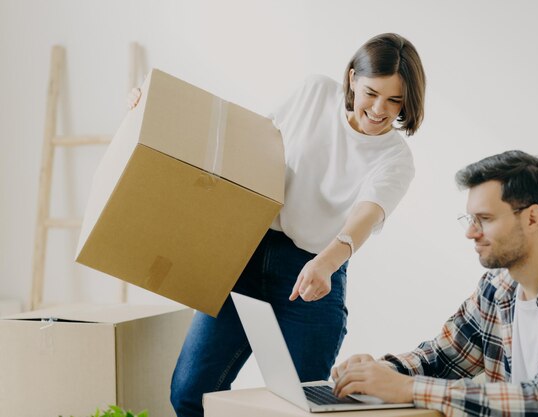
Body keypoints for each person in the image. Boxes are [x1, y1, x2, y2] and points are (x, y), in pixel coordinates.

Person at [126, 33, 425, 417]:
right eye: (372, 93)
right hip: (244, 257)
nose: (380, 110)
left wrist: (328, 262)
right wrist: (151, 109)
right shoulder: (315, 93)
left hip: (312, 275)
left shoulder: (396, 158)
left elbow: (364, 216)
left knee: (302, 406)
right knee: (189, 392)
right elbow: (242, 138)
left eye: (395, 101)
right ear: (352, 79)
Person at [332, 150, 538, 416]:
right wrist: (381, 371)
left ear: (533, 218)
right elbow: (442, 358)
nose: (470, 233)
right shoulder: (498, 285)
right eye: (470, 219)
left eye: (484, 219)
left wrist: (407, 388)